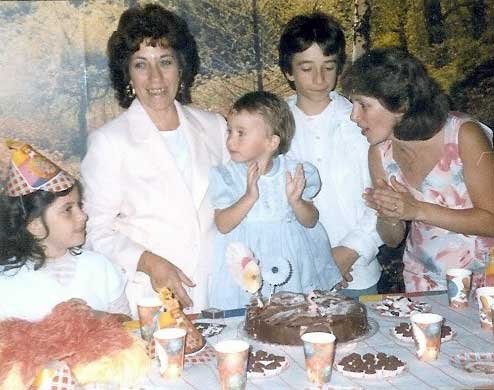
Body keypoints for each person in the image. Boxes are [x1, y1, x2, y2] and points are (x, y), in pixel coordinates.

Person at [81, 4, 228, 315]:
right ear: (127, 74)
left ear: (181, 66)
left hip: (219, 292)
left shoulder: (215, 127)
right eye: (140, 64)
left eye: (165, 61)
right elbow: (96, 232)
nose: (155, 77)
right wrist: (148, 262)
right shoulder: (108, 142)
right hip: (150, 298)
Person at [342, 47, 494, 292]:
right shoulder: (379, 153)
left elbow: (491, 221)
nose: (353, 116)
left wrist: (418, 209)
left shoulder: (463, 135)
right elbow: (393, 239)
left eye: (363, 105)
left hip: (483, 282)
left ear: (400, 105)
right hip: (422, 281)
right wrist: (390, 216)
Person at [279, 12, 382, 298]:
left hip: (357, 272)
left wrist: (350, 251)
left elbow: (382, 199)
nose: (319, 78)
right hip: (294, 273)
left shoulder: (360, 123)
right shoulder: (272, 127)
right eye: (306, 68)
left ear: (339, 68)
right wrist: (315, 259)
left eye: (328, 66)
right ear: (288, 71)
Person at [208, 91, 341, 309]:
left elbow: (311, 221)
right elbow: (223, 225)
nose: (231, 140)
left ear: (271, 142)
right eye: (229, 131)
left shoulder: (294, 172)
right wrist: (249, 197)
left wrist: (297, 202)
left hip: (290, 266)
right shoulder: (227, 176)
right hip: (247, 265)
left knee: (290, 317)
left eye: (241, 133)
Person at [0, 141, 130, 321]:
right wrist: (53, 329)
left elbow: (131, 327)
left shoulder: (100, 267)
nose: (83, 216)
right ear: (35, 225)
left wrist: (98, 318)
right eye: (68, 210)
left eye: (80, 205)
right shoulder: (6, 284)